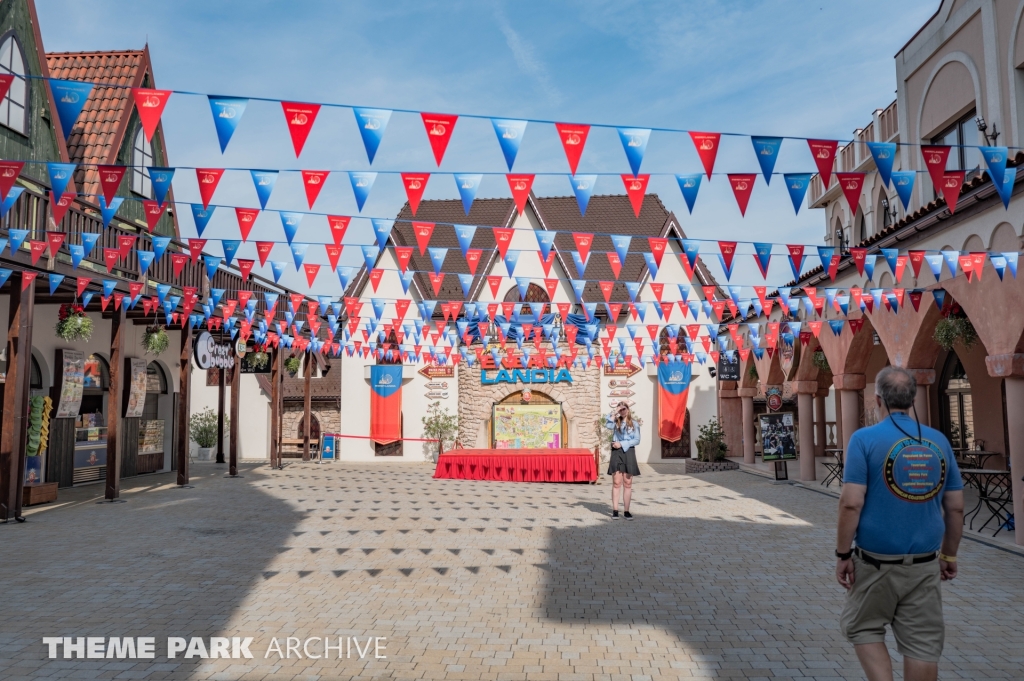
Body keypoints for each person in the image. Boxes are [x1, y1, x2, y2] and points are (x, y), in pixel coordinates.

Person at [835, 366, 964, 681]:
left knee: (863, 625)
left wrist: (842, 554)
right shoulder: (938, 441)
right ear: (913, 399)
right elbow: (957, 508)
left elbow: (851, 502)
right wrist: (949, 554)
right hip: (924, 566)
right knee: (922, 644)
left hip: (875, 564)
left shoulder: (864, 440)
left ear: (877, 399)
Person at [606, 401, 641, 519]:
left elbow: (637, 440)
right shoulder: (615, 422)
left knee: (628, 483)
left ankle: (626, 511)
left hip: (629, 452)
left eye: (624, 408)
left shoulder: (634, 423)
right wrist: (615, 412)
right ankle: (615, 510)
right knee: (616, 483)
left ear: (628, 409)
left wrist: (621, 443)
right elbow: (607, 424)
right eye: (620, 409)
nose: (622, 411)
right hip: (617, 453)